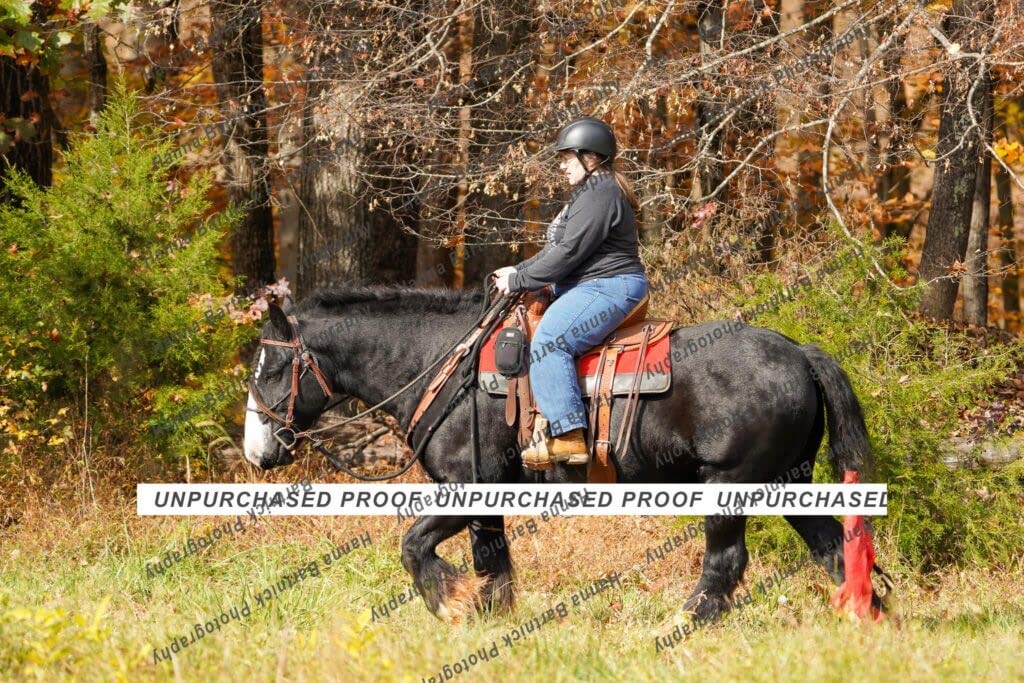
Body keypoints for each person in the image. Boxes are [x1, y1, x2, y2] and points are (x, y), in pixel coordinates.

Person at [493, 116, 648, 467]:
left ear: (589, 156)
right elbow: (556, 250)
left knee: (551, 340)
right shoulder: (590, 192)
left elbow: (568, 253)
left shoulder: (600, 192)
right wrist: (518, 271)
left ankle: (568, 436)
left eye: (566, 158)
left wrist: (519, 281)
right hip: (590, 285)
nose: (562, 166)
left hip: (609, 286)